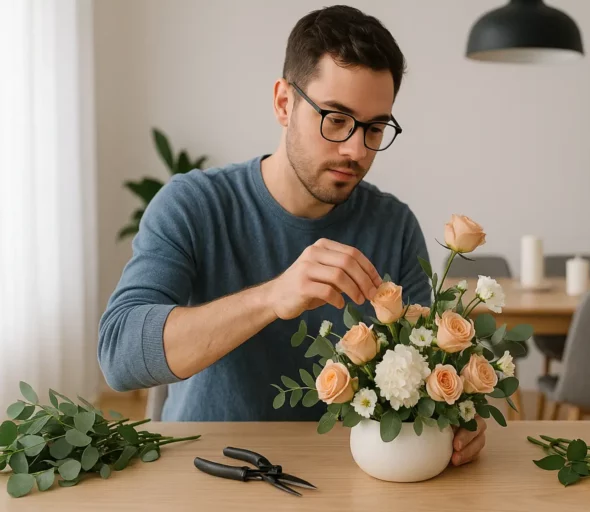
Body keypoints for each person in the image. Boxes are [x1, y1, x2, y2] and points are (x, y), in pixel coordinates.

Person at [98, 4, 486, 466]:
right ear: (285, 103)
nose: (355, 150)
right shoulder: (193, 205)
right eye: (336, 119)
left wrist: (459, 414)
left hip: (353, 473)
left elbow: (428, 369)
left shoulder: (393, 224)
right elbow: (119, 355)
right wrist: (271, 297)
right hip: (212, 469)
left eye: (376, 127)